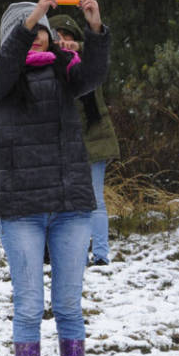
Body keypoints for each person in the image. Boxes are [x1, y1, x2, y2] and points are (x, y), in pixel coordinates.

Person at [0, 0, 109, 356]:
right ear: (13, 36)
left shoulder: (65, 73)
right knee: (30, 307)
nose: (38, 34)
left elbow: (92, 75)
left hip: (71, 208)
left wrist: (94, 28)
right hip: (22, 213)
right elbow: (2, 70)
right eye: (29, 29)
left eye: (43, 29)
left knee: (69, 307)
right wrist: (32, 16)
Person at [50, 14, 121, 266]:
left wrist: (76, 46)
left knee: (95, 199)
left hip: (94, 136)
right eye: (58, 35)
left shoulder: (88, 62)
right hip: (67, 140)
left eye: (68, 35)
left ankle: (100, 254)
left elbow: (94, 54)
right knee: (68, 203)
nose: (64, 41)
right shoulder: (49, 65)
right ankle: (76, 254)